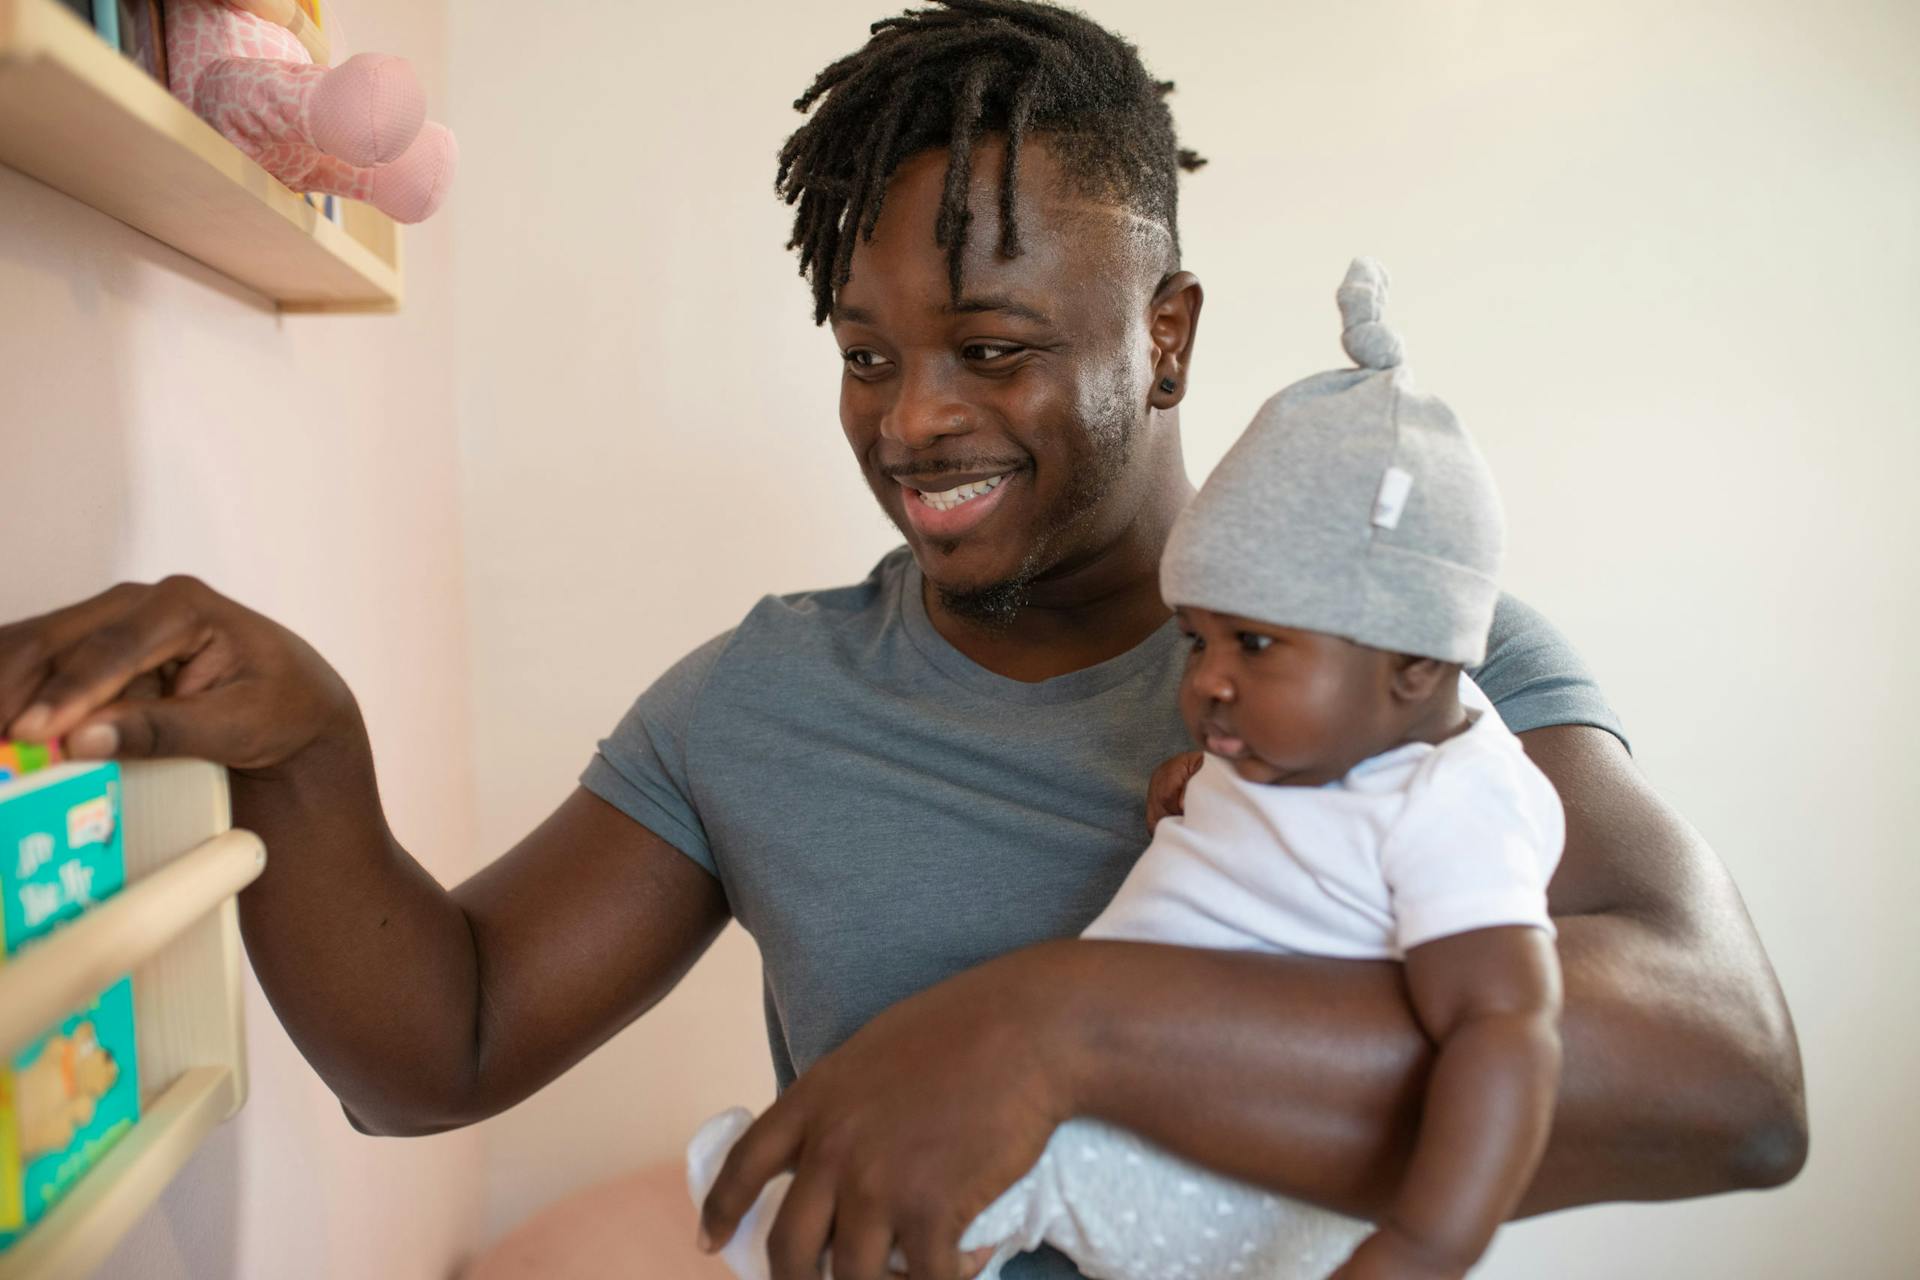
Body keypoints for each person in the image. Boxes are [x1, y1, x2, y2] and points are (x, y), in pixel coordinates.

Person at [0, 4, 1804, 1280]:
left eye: (995, 348)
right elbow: (437, 1050)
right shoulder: (765, 700)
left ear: (1164, 335)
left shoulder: (1401, 653)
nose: (912, 422)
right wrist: (308, 747)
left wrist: (1064, 1027)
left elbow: (1730, 1084)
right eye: (868, 353)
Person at [686, 258, 1565, 1280]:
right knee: (943, 1169)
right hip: (1133, 1124)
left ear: (1415, 659)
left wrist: (1423, 1241)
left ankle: (794, 1212)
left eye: (1256, 644)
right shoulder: (1320, 746)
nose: (1210, 682)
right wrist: (1201, 791)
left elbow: (1508, 1029)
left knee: (937, 1182)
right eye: (1198, 641)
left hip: (1229, 1176)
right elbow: (1303, 864)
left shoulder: (1458, 802)